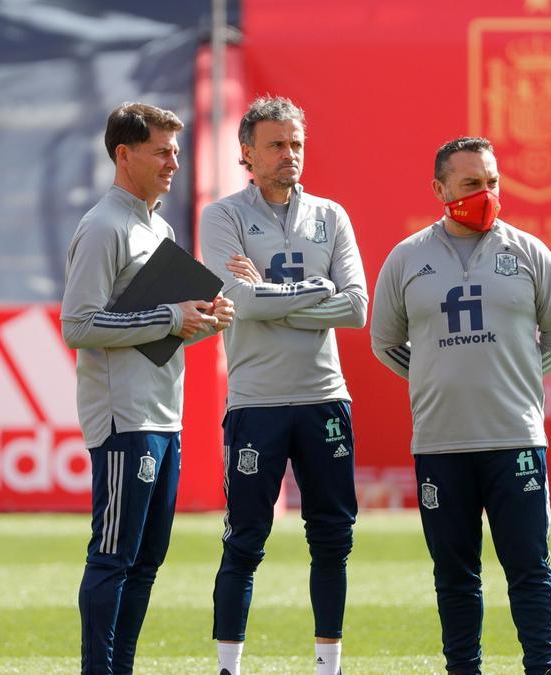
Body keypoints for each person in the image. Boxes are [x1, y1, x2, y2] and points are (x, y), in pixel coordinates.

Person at [369, 137, 551, 675]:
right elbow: (385, 341)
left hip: (516, 439)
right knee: (454, 575)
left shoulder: (529, 251)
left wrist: (514, 379)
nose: (485, 194)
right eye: (470, 184)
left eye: (492, 182)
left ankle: (545, 668)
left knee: (530, 569)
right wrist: (436, 380)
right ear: (439, 189)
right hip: (441, 442)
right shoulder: (407, 257)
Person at [61, 102, 235, 675]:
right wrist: (168, 316)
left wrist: (198, 319)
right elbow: (78, 325)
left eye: (176, 152)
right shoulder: (103, 225)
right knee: (113, 556)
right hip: (123, 418)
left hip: (164, 413)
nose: (173, 163)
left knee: (146, 559)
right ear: (124, 153)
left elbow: (156, 327)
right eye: (162, 151)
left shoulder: (157, 225)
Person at [198, 96, 368, 675]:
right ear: (246, 153)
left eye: (296, 144)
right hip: (257, 402)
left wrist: (269, 296)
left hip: (324, 396)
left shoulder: (331, 215)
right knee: (244, 539)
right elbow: (238, 301)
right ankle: (228, 667)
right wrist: (315, 290)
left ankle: (328, 666)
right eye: (276, 145)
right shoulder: (221, 216)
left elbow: (357, 309)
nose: (289, 155)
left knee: (332, 538)